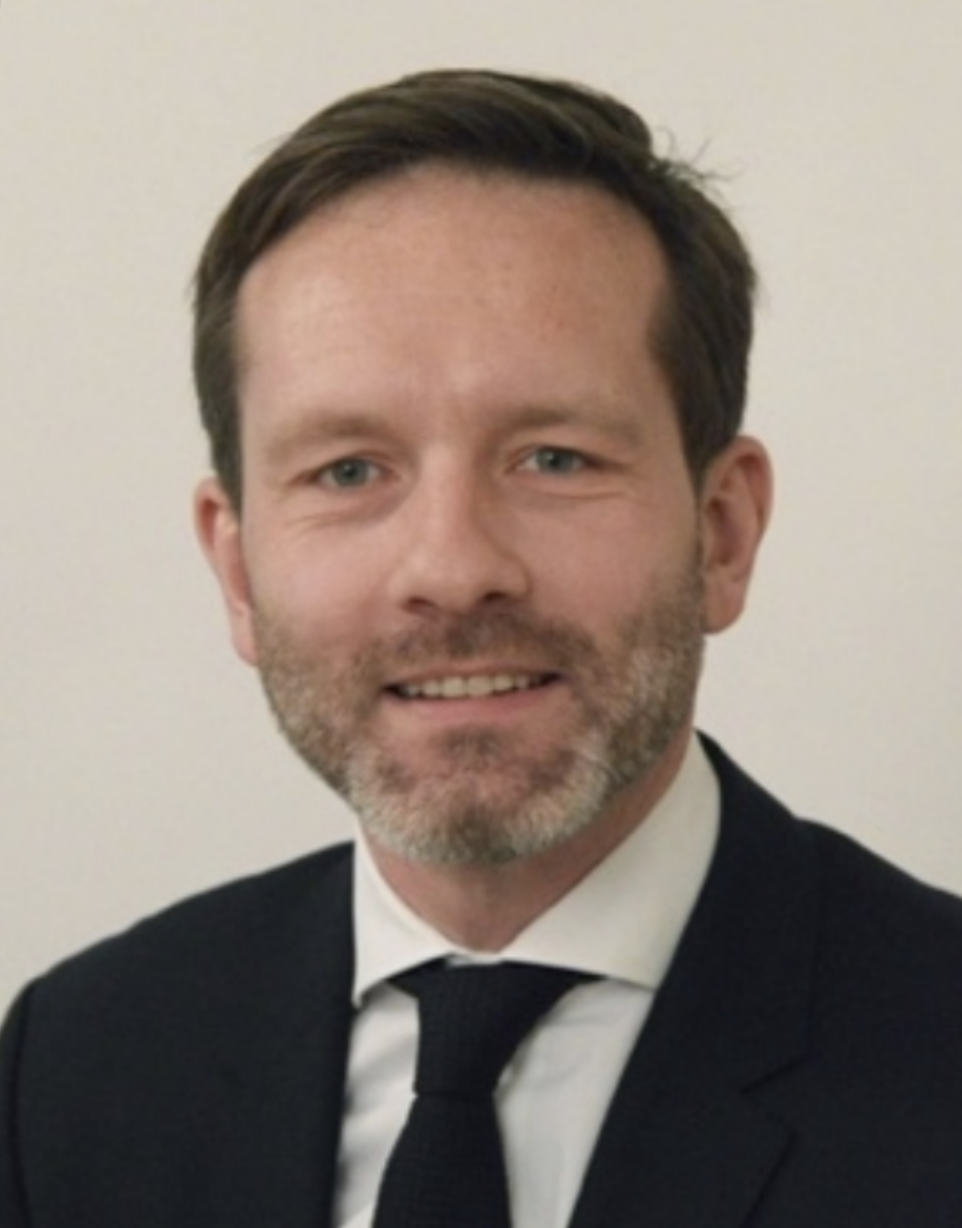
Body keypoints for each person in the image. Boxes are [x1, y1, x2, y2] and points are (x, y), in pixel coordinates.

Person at [2, 68, 961, 1228]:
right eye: (348, 470)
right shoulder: (75, 1067)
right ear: (238, 567)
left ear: (720, 532)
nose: (453, 567)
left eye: (552, 458)